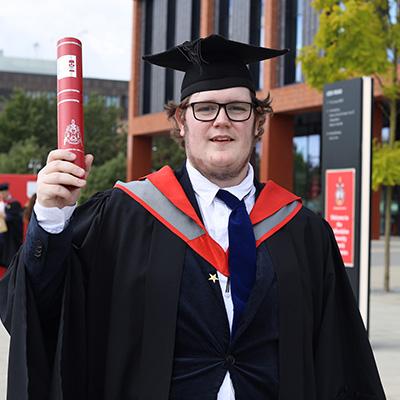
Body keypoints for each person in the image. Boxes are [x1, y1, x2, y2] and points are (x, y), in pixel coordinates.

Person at [0, 34, 385, 400]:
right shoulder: (123, 216)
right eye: (205, 108)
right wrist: (51, 218)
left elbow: (340, 359)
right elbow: (42, 308)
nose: (221, 120)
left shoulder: (304, 231)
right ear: (182, 122)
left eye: (237, 107)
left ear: (258, 122)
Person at [0, 182, 23, 269]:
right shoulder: (2, 204)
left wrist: (7, 216)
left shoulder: (14, 204)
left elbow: (17, 220)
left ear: (6, 192)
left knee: (9, 260)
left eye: (2, 193)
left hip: (10, 237)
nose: (1, 195)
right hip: (2, 235)